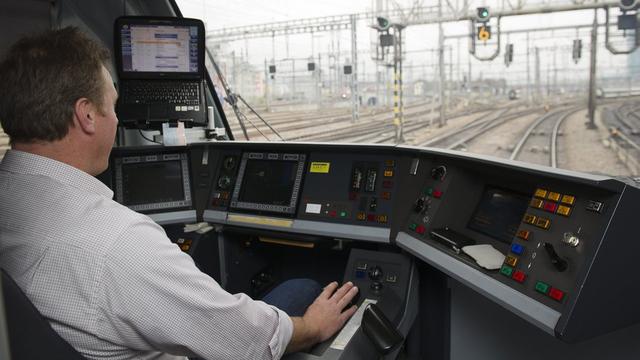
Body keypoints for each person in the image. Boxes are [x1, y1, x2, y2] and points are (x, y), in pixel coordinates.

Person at [0, 27, 358, 359]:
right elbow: (244, 340)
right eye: (112, 106)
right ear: (87, 116)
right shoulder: (118, 243)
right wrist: (311, 327)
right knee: (304, 286)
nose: (117, 120)